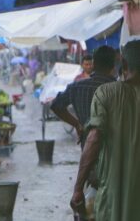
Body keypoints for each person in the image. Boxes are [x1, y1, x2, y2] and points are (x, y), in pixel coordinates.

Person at [70, 40, 140, 221]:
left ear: (123, 64)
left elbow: (94, 138)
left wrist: (78, 188)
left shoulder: (106, 93)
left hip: (112, 198)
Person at [51, 46, 116, 148]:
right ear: (113, 66)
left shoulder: (77, 87)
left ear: (93, 64)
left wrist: (77, 124)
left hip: (87, 146)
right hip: (114, 149)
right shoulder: (121, 90)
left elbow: (56, 105)